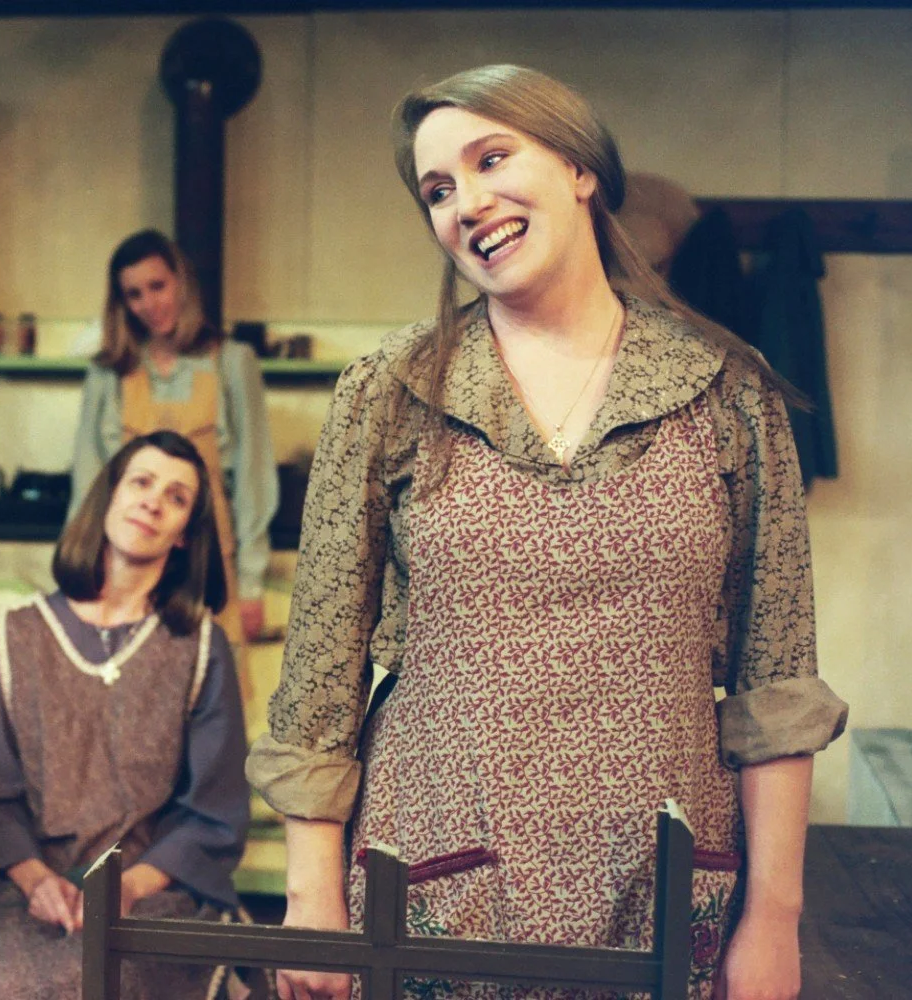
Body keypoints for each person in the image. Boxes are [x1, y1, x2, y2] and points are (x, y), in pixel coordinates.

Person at [246, 65, 848, 1000]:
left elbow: (775, 684)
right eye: (438, 190)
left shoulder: (727, 390)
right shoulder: (390, 393)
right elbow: (320, 669)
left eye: (492, 159)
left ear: (580, 168)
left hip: (659, 892)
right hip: (435, 872)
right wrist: (309, 898)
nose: (467, 203)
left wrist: (773, 918)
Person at [0, 430, 253, 1000]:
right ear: (108, 497)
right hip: (25, 879)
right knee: (3, 981)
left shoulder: (202, 646)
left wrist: (127, 889)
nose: (153, 501)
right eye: (141, 481)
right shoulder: (20, 633)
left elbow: (213, 811)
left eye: (177, 497)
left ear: (185, 535)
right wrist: (36, 881)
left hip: (153, 885)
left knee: (116, 979)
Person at [71, 229, 278, 644]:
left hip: (208, 568)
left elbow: (254, 482)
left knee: (208, 691)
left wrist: (252, 584)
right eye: (134, 294)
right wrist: (82, 571)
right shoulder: (107, 372)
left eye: (158, 286)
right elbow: (88, 484)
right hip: (122, 569)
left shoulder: (234, 363)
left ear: (181, 282)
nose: (149, 304)